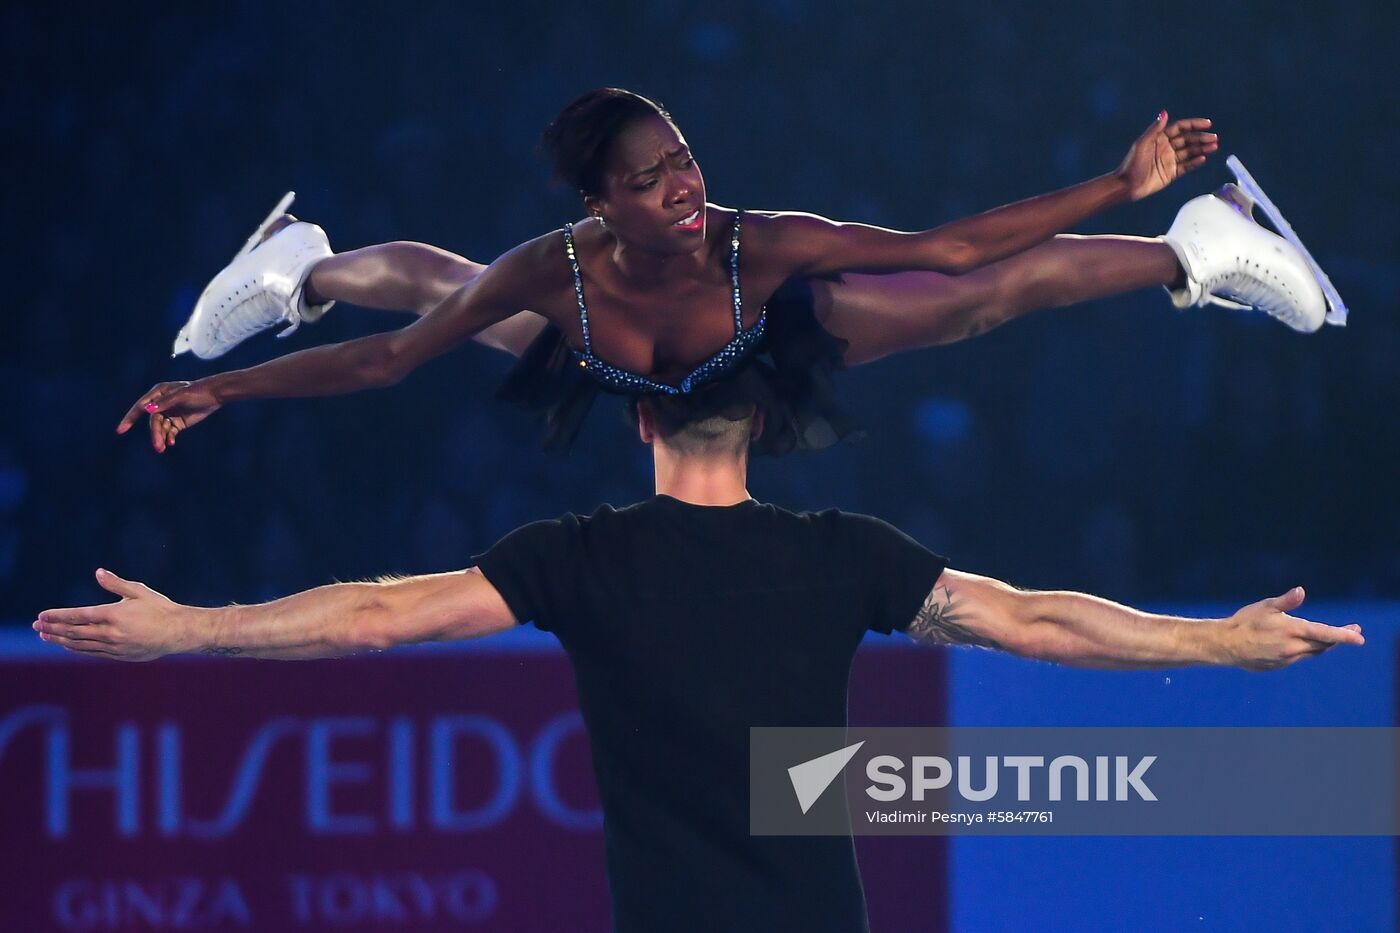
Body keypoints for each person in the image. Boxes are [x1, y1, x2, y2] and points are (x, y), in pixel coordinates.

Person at [46, 379, 1363, 932]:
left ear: (639, 426)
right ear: (762, 429)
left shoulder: (580, 556)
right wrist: (1222, 643)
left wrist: (187, 629)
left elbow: (375, 615)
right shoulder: (842, 553)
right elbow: (1036, 620)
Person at [120, 88, 1320, 453]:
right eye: (649, 180)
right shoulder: (553, 268)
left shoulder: (759, 241)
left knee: (968, 303)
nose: (682, 187)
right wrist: (222, 388)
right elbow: (387, 364)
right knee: (444, 291)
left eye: (684, 159)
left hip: (757, 334)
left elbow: (951, 246)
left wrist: (1119, 184)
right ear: (600, 206)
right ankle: (303, 268)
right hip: (606, 345)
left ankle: (1191, 247)